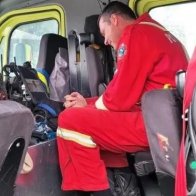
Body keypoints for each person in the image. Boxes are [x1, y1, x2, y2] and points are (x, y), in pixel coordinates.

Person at [57, 1, 188, 196]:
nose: (106, 41)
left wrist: (85, 106)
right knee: (92, 122)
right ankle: (125, 186)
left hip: (153, 125)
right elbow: (129, 94)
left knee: (69, 121)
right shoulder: (160, 33)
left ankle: (101, 192)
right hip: (168, 121)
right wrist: (88, 103)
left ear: (115, 20)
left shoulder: (135, 35)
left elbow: (119, 100)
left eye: (104, 33)